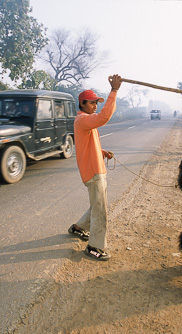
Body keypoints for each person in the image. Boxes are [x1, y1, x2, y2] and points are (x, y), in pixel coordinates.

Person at [68, 74, 122, 261]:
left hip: (96, 169)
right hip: (93, 172)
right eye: (91, 103)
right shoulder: (83, 120)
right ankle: (95, 247)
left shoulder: (85, 120)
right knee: (100, 210)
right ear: (82, 104)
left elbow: (89, 144)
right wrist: (114, 91)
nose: (95, 106)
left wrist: (102, 151)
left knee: (98, 205)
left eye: (96, 103)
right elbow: (104, 117)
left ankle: (78, 228)